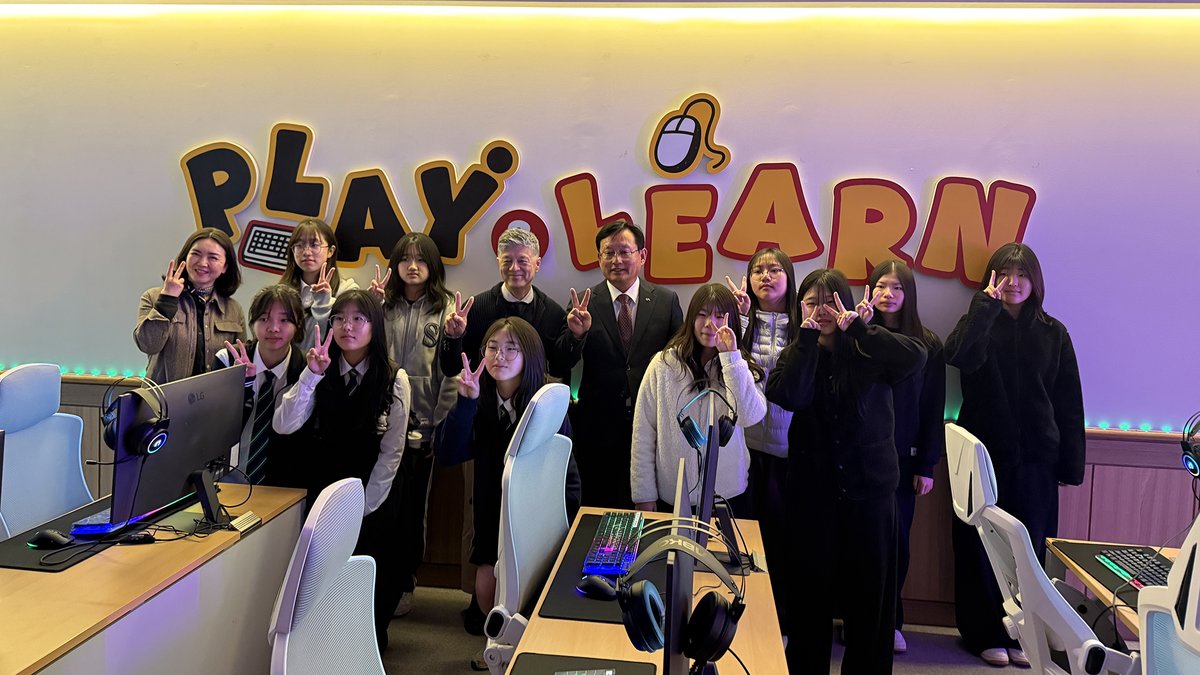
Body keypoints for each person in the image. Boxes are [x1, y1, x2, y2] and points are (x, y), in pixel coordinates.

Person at [765, 268, 925, 675]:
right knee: (809, 603)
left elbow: (916, 357)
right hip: (812, 497)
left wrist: (862, 331)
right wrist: (805, 341)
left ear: (846, 305)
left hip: (870, 495)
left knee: (870, 606)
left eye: (829, 301)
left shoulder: (869, 348)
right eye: (811, 302)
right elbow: (788, 395)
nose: (821, 310)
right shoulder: (796, 353)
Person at [946, 242, 1084, 668]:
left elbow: (1069, 401)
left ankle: (1026, 635)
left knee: (1031, 552)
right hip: (983, 457)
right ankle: (982, 633)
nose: (1013, 282)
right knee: (979, 548)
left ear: (1035, 281)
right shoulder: (978, 322)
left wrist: (1070, 465)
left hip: (1037, 460)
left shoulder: (1054, 332)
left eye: (1022, 274)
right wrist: (983, 309)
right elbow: (957, 357)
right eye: (1004, 273)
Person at [434, 317, 582, 671]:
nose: (499, 356)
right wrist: (465, 402)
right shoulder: (478, 396)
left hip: (537, 526)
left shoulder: (546, 403)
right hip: (491, 523)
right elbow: (448, 453)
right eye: (493, 347)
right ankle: (502, 653)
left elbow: (569, 477)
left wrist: (565, 532)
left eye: (511, 349)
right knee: (488, 599)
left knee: (525, 607)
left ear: (530, 356)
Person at [273, 289, 411, 649]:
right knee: (320, 576)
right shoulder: (320, 365)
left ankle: (365, 647)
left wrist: (364, 505)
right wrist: (311, 376)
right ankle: (321, 649)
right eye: (340, 318)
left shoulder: (394, 378)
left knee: (367, 572)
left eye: (358, 319)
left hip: (372, 491)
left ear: (374, 326)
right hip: (324, 486)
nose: (347, 326)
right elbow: (284, 424)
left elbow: (392, 451)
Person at [561, 219, 682, 509]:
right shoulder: (583, 303)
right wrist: (576, 336)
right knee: (600, 510)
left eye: (625, 251)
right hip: (597, 428)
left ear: (642, 255)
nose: (617, 260)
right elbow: (561, 361)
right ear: (599, 258)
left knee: (650, 509)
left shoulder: (666, 301)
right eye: (609, 253)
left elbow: (680, 361)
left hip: (653, 425)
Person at [371, 232, 459, 617]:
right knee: (376, 505)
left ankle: (405, 581)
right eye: (405, 259)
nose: (412, 266)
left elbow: (451, 374)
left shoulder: (447, 308)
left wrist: (439, 423)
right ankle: (372, 582)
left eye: (421, 260)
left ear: (432, 266)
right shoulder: (382, 304)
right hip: (379, 422)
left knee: (411, 509)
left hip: (422, 427)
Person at [867, 259, 946, 655]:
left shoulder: (928, 344)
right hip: (861, 458)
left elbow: (933, 407)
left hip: (904, 460)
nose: (888, 294)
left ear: (909, 294)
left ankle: (890, 622)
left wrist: (926, 464)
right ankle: (860, 620)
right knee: (862, 543)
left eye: (897, 287)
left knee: (896, 543)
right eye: (882, 286)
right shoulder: (858, 335)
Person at [631, 284, 765, 513]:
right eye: (702, 315)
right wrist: (644, 493)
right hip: (673, 494)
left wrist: (731, 358)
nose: (709, 323)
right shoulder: (663, 365)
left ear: (732, 320)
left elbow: (749, 416)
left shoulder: (741, 365)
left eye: (719, 316)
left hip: (728, 495)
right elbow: (643, 432)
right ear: (691, 318)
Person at [728, 248, 796, 635]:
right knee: (744, 537)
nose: (765, 276)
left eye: (773, 270)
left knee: (783, 540)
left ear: (788, 276)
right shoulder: (741, 321)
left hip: (790, 450)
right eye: (757, 271)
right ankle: (743, 616)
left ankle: (780, 619)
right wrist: (739, 319)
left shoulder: (802, 322)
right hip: (746, 448)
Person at [438, 227, 573, 381]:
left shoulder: (553, 314)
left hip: (534, 395)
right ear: (499, 263)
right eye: (507, 261)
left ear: (537, 264)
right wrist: (453, 337)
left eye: (522, 261)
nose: (514, 268)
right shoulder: (475, 309)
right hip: (484, 395)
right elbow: (450, 369)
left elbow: (560, 369)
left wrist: (575, 336)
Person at [211, 284, 307, 487]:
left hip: (282, 486)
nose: (273, 328)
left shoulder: (305, 371)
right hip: (224, 481)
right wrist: (242, 384)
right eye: (264, 319)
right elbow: (215, 424)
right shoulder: (228, 360)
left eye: (284, 320)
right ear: (252, 322)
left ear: (298, 324)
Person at [134, 228, 245, 384]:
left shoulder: (234, 309)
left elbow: (240, 361)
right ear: (185, 257)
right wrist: (167, 300)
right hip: (162, 398)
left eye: (213, 257)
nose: (202, 263)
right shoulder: (152, 296)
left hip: (213, 397)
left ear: (225, 267)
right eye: (196, 254)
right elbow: (148, 345)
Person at [279, 217, 359, 350]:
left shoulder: (347, 291)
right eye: (299, 245)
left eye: (314, 245)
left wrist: (324, 302)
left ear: (330, 251)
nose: (306, 252)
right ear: (293, 251)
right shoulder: (281, 292)